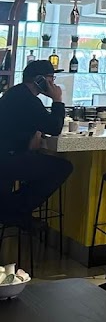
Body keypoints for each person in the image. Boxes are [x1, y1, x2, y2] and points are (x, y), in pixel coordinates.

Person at [0, 61, 73, 225]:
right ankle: (12, 211)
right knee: (62, 168)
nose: (53, 83)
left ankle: (10, 209)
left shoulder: (17, 93)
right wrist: (57, 100)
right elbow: (54, 128)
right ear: (39, 80)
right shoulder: (28, 100)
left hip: (7, 156)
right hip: (7, 160)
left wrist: (33, 134)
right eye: (51, 78)